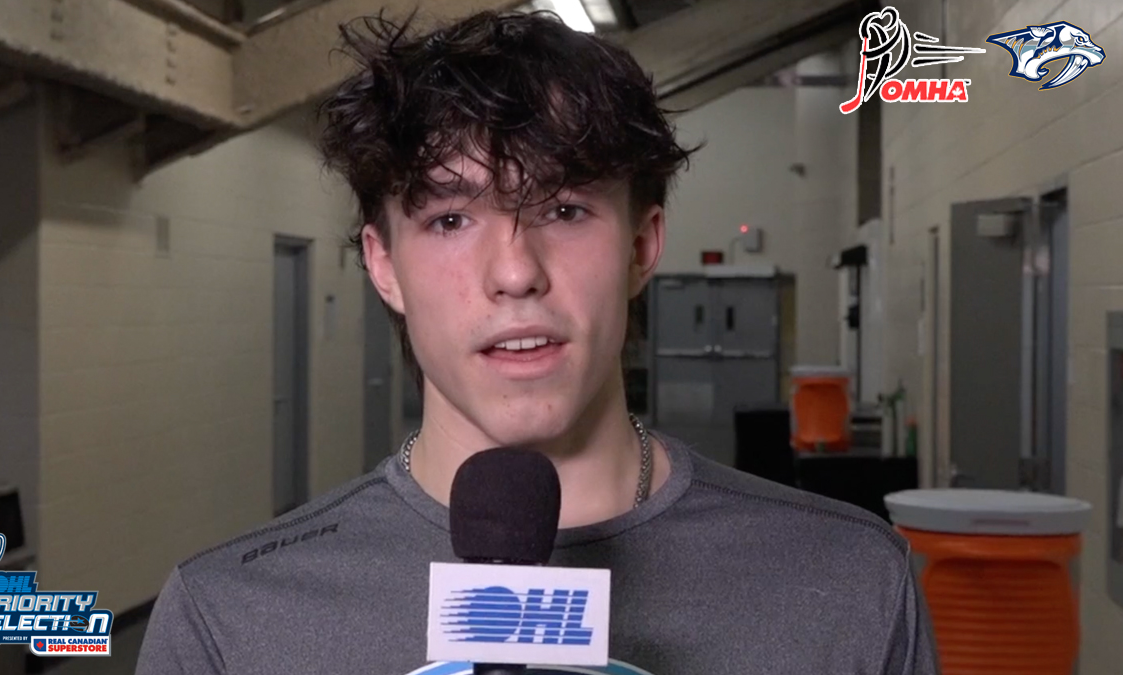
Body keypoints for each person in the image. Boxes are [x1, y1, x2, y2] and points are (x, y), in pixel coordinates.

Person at [136, 10, 938, 674]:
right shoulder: (229, 622)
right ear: (383, 265)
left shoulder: (854, 586)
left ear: (641, 245)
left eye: (564, 210)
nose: (516, 272)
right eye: (451, 218)